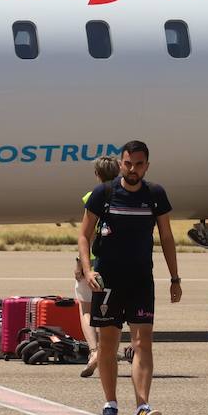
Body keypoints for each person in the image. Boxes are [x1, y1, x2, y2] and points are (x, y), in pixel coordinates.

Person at [79, 140, 181, 415]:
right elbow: (84, 235)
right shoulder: (104, 193)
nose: (132, 169)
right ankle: (110, 404)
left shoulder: (155, 194)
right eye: (128, 163)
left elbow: (167, 237)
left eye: (138, 164)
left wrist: (175, 278)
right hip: (107, 281)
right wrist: (87, 270)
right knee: (108, 345)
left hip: (141, 280)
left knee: (142, 343)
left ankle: (142, 407)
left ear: (147, 166)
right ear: (120, 163)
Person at [74, 155, 120, 378]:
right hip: (118, 261)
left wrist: (79, 263)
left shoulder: (92, 196)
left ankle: (94, 351)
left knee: (86, 309)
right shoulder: (126, 196)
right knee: (112, 310)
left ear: (97, 174)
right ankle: (107, 352)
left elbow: (87, 233)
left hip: (92, 261)